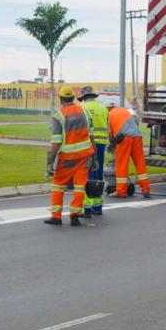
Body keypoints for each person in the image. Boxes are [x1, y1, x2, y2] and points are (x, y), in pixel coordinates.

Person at [46, 86, 96, 226]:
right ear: (73, 97)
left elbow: (56, 142)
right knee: (80, 186)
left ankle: (56, 217)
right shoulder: (86, 112)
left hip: (67, 158)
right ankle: (75, 216)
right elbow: (92, 137)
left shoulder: (58, 116)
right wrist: (95, 157)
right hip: (86, 155)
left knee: (58, 185)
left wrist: (50, 162)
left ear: (60, 99)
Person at [108, 97, 150, 198]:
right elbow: (135, 123)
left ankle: (121, 191)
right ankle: (146, 189)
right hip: (137, 136)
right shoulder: (125, 111)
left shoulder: (109, 115)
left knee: (122, 164)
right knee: (140, 163)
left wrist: (112, 146)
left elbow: (111, 136)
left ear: (108, 109)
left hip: (125, 138)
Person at [79, 86, 109, 216]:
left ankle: (88, 208)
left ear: (84, 98)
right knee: (98, 174)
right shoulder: (103, 108)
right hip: (101, 144)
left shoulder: (83, 108)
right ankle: (98, 206)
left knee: (88, 175)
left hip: (88, 145)